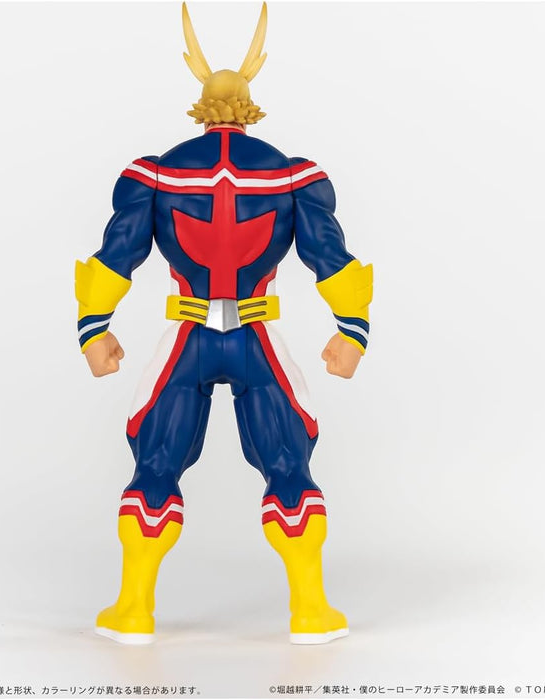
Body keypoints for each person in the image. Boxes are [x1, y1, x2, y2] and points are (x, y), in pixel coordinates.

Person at [75, 2, 373, 645]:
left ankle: (133, 612)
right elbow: (330, 255)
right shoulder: (291, 174)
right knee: (287, 464)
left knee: (156, 463)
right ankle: (310, 611)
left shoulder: (157, 172)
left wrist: (94, 330)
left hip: (187, 338)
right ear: (249, 103)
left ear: (202, 104)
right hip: (255, 338)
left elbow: (117, 253)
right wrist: (352, 330)